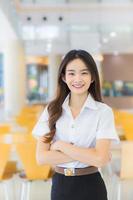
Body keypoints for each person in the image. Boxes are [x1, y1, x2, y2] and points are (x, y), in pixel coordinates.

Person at [32, 49, 119, 200]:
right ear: (64, 77)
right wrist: (90, 154)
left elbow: (100, 159)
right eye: (71, 73)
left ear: (92, 77)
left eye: (84, 73)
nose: (77, 78)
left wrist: (60, 146)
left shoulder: (103, 112)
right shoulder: (51, 110)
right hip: (60, 185)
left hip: (91, 186)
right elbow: (41, 158)